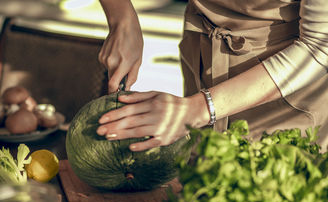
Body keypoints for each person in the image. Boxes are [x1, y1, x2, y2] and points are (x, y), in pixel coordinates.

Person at [96, 0, 328, 152]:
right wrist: (121, 17)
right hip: (202, 51)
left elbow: (320, 45)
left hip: (284, 89)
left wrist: (199, 108)